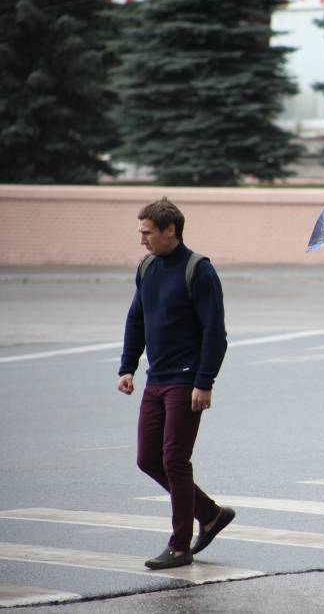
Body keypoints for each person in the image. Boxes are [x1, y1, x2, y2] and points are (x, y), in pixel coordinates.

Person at [117, 197, 235, 570]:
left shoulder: (198, 270)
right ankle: (211, 514)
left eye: (147, 232)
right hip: (156, 380)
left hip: (186, 381)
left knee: (174, 460)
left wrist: (205, 381)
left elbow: (216, 332)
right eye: (140, 232)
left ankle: (180, 545)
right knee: (147, 458)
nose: (142, 240)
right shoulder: (147, 267)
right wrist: (127, 366)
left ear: (171, 230)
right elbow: (137, 318)